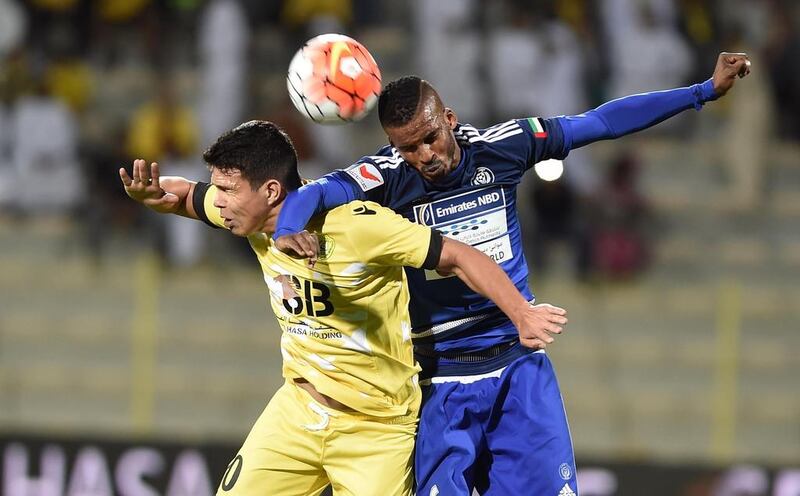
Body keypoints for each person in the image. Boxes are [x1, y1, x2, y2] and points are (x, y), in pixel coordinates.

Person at [272, 53, 752, 495]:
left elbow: (601, 122)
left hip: (517, 366)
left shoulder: (505, 147)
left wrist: (701, 91)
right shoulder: (386, 176)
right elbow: (315, 193)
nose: (424, 156)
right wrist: (289, 227)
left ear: (451, 121)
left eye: (429, 138)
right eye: (408, 148)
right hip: (439, 380)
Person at [118, 120, 568, 496]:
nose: (218, 201)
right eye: (218, 188)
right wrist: (153, 196)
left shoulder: (356, 225)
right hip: (297, 412)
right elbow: (184, 194)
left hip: (376, 430)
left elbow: (459, 255)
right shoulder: (251, 218)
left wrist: (521, 313)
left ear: (271, 190)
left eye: (227, 190)